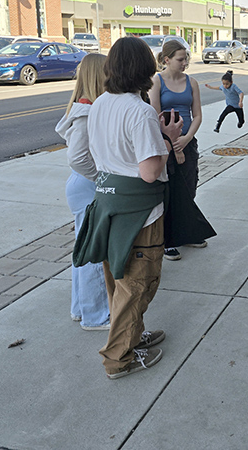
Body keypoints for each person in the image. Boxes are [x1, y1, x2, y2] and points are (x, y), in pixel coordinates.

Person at [73, 36, 183, 379]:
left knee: (117, 278)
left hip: (107, 205)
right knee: (138, 284)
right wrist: (167, 138)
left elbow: (91, 156)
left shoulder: (101, 103)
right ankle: (119, 357)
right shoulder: (139, 112)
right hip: (140, 213)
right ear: (144, 70)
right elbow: (150, 173)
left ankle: (132, 335)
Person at [55, 53, 111, 331]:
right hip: (87, 186)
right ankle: (97, 316)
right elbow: (77, 157)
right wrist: (101, 178)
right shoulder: (86, 110)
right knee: (94, 255)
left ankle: (81, 309)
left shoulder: (83, 106)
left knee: (84, 251)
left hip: (82, 186)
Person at [150, 39, 206, 261]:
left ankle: (186, 232)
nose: (185, 63)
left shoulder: (191, 82)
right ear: (167, 60)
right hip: (165, 141)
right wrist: (174, 143)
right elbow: (155, 115)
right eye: (180, 59)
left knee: (189, 185)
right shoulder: (157, 82)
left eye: (186, 59)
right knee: (170, 191)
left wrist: (187, 138)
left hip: (187, 140)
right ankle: (168, 240)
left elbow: (197, 114)